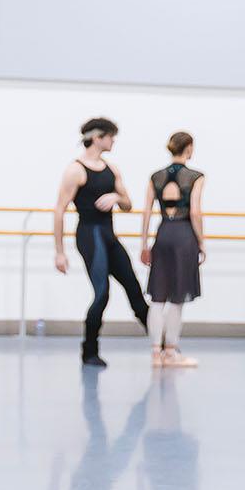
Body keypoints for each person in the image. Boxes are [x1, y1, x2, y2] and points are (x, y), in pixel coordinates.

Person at [53, 117, 150, 368]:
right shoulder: (75, 170)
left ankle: (162, 344)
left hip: (109, 235)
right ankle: (89, 351)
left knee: (133, 287)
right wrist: (60, 252)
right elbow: (59, 210)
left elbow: (128, 205)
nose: (113, 141)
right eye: (110, 136)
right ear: (97, 138)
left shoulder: (112, 169)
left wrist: (116, 197)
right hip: (89, 235)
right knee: (102, 293)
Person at [138, 131, 205, 368]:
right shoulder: (196, 177)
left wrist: (144, 244)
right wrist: (202, 242)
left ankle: (155, 354)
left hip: (163, 233)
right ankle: (170, 352)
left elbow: (146, 212)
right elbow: (195, 212)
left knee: (157, 297)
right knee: (177, 298)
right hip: (184, 235)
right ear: (189, 148)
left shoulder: (155, 177)